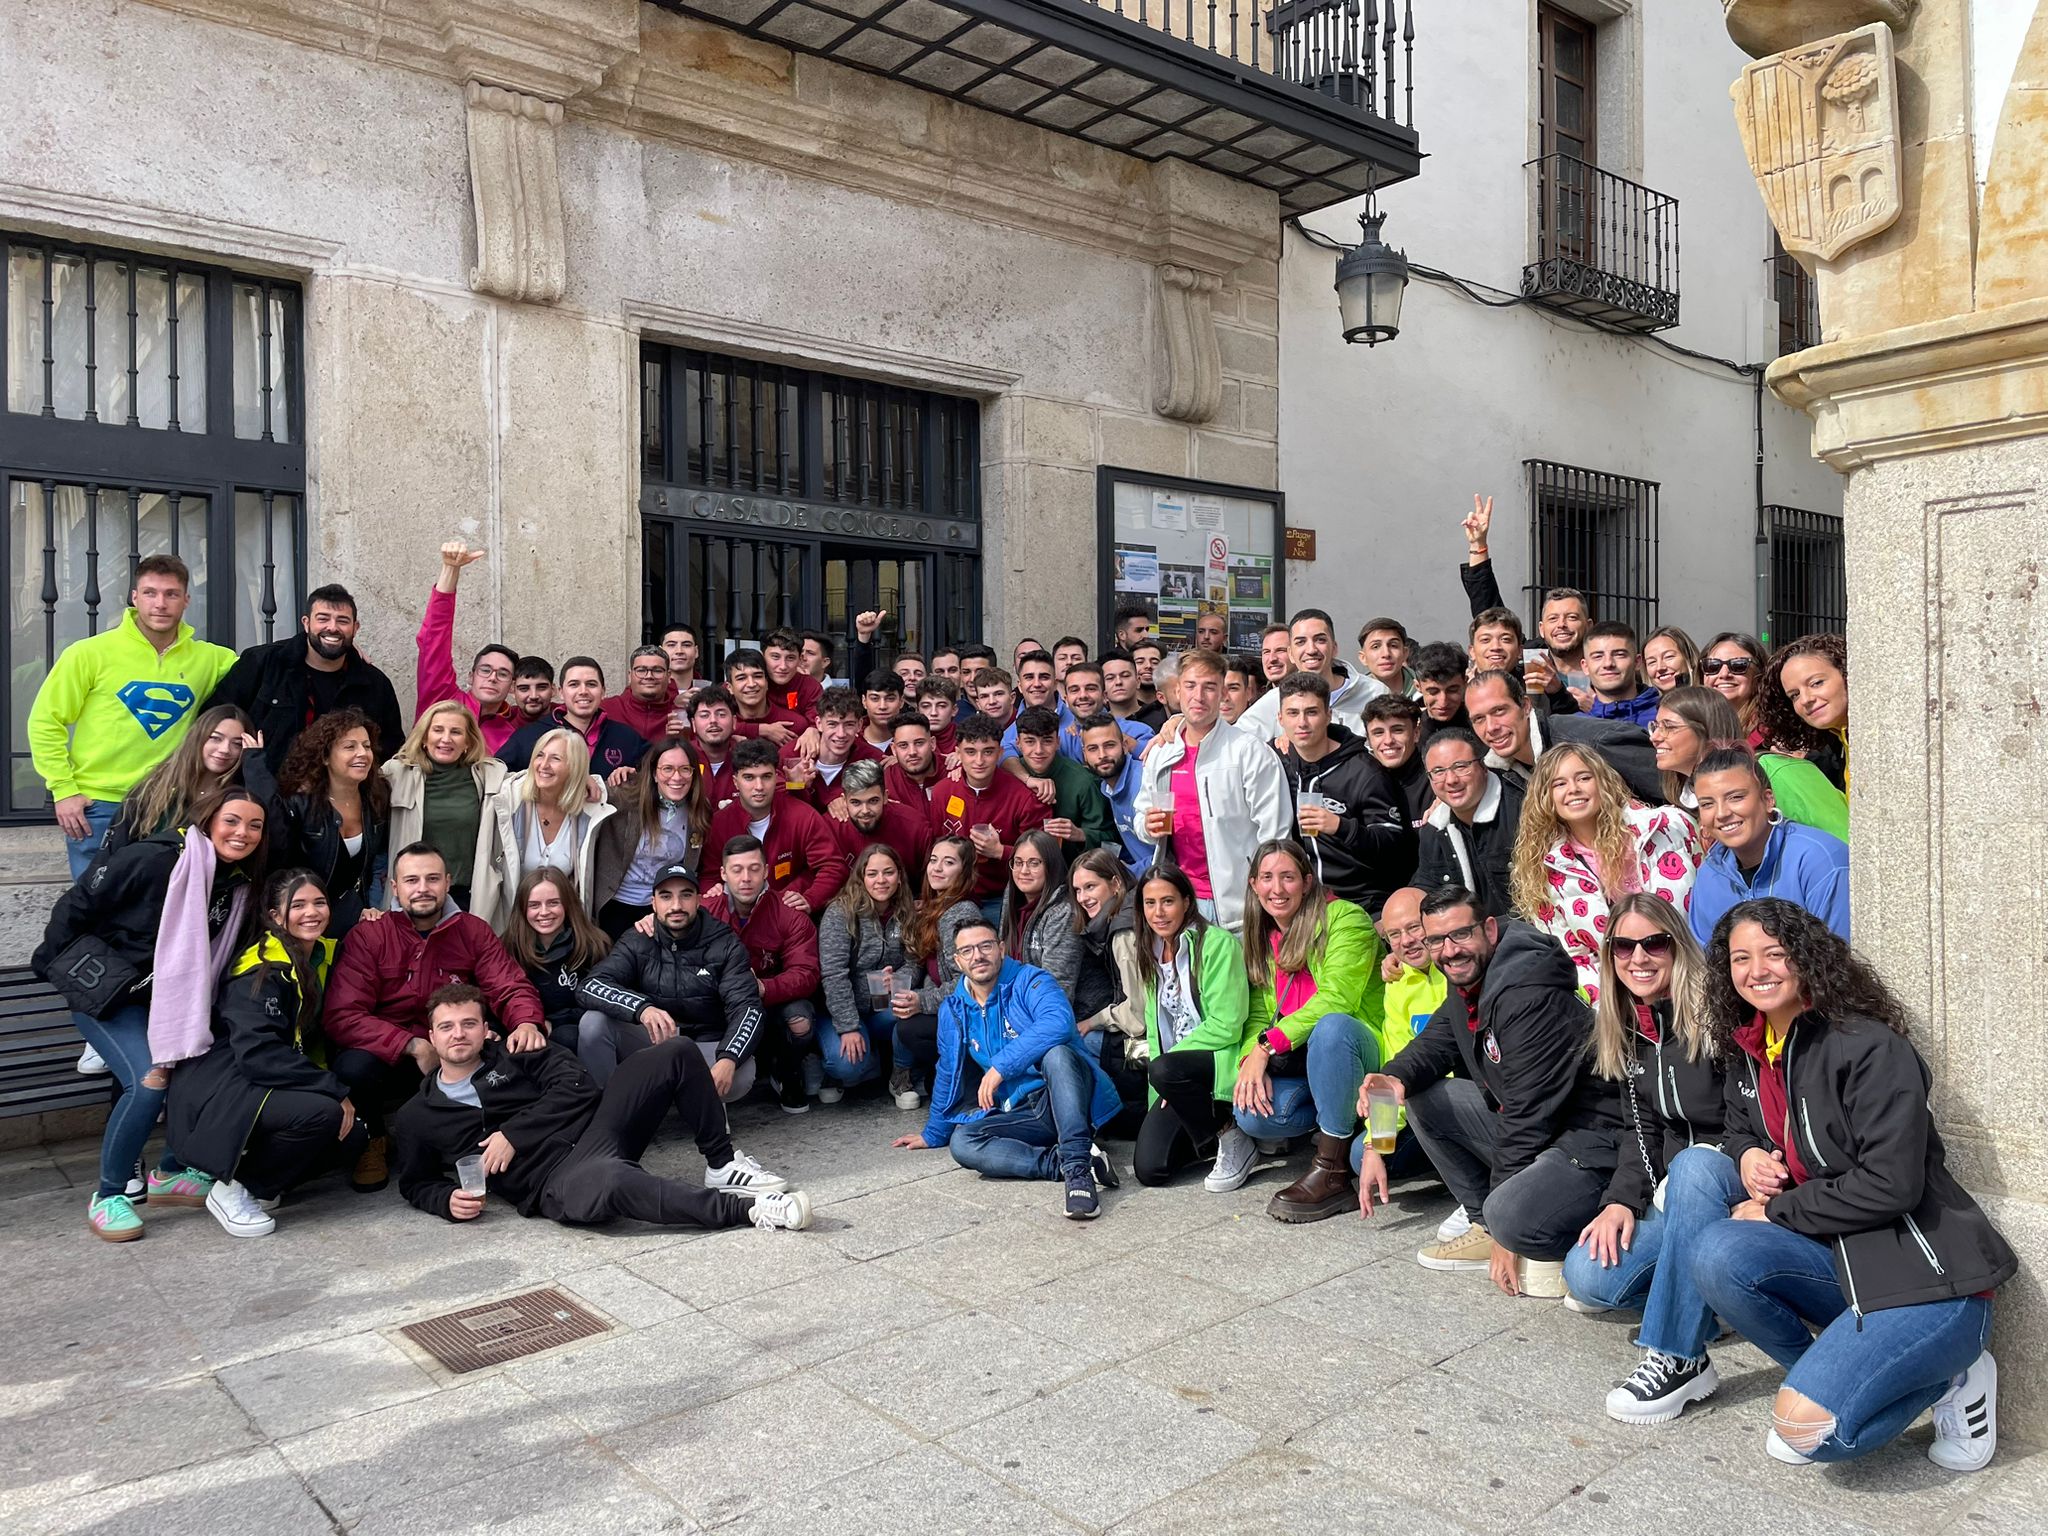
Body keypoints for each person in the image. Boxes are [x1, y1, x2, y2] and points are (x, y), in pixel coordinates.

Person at [1658, 901, 2014, 1468]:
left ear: (1807, 958)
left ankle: (1952, 1376)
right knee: (1715, 1251)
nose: (1758, 970)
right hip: (1842, 1263)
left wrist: (1778, 1212)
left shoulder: (1869, 1047)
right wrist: (1747, 1153)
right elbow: (1738, 1125)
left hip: (1924, 1275)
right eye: (1741, 958)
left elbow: (1892, 1184)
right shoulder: (1752, 1046)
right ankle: (1834, 1374)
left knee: (1802, 1437)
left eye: (1775, 953)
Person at [1358, 888, 1623, 1298]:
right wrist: (1390, 1081)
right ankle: (1490, 1223)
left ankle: (1553, 1233)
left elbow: (1526, 1116)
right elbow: (1435, 1044)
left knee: (1515, 1218)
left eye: (1460, 934)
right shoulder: (1466, 977)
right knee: (1420, 1096)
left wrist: (1508, 1234)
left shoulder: (1526, 992)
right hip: (1543, 1132)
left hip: (1592, 1140)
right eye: (1436, 941)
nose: (1449, 951)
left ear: (1490, 929)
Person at [34, 786, 269, 1240]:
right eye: (232, 820)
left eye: (254, 825)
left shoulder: (236, 882)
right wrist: (60, 967)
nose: (243, 832)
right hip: (110, 996)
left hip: (168, 1004)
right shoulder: (155, 858)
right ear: (207, 820)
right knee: (149, 1082)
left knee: (214, 1066)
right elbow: (78, 904)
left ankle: (170, 1171)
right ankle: (109, 1194)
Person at [393, 985, 806, 1231]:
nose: (458, 1034)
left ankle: (721, 1164)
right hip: (554, 1181)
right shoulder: (418, 1114)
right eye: (447, 1027)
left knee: (676, 1050)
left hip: (600, 1129)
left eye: (469, 1024)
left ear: (487, 1030)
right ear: (431, 1035)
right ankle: (750, 1211)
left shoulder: (518, 1052)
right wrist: (445, 1199)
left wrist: (514, 1134)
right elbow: (415, 1182)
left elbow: (579, 1087)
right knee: (611, 1180)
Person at [324, 842, 546, 1188]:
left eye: (432, 879)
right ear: (394, 888)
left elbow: (508, 984)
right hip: (397, 1056)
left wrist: (527, 1021)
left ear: (447, 882)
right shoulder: (370, 935)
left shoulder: (471, 930)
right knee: (354, 1065)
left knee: (514, 1042)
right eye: (411, 880)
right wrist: (411, 1044)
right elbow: (343, 1014)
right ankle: (374, 1141)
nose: (423, 889)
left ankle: (494, 1135)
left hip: (455, 1047)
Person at [164, 869, 367, 1237]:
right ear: (275, 916)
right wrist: (334, 1089)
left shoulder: (319, 954)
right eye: (298, 905)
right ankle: (233, 1189)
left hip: (260, 1081)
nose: (312, 912)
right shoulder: (261, 969)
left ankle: (262, 1183)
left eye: (319, 902)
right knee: (324, 1114)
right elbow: (259, 1054)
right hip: (223, 1088)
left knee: (351, 1136)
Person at [1559, 897, 1725, 1339]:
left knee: (1695, 1168)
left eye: (1655, 943)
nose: (1638, 958)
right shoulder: (1629, 1023)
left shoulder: (1718, 1014)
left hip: (1725, 1180)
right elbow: (1642, 1127)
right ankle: (1706, 1293)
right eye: (1623, 946)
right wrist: (1621, 1201)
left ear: (1678, 947)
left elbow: (1753, 1119)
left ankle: (1684, 1331)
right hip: (1669, 1190)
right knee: (1587, 1276)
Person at [891, 918, 1122, 1220]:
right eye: (968, 950)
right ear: (957, 961)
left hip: (1065, 1096)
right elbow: (947, 1070)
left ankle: (1078, 1170)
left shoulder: (1032, 980)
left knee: (1058, 1053)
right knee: (963, 1143)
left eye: (986, 946)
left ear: (1000, 949)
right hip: (1023, 1112)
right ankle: (1061, 1164)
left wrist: (1001, 1066)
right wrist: (934, 1133)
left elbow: (1059, 1022)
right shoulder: (953, 1008)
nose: (978, 955)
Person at [28, 553, 239, 878]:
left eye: (171, 594)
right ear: (134, 598)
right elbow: (45, 721)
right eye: (151, 593)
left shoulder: (210, 659)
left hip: (171, 805)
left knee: (159, 912)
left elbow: (266, 670)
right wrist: (64, 789)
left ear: (186, 600)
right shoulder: (88, 654)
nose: (160, 603)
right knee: (96, 911)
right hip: (99, 806)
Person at [1222, 840, 1381, 1220]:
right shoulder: (1263, 936)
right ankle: (1341, 1122)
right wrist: (1249, 1057)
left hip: (1362, 1050)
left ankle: (1332, 1171)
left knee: (1331, 1028)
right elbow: (1260, 1013)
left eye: (1288, 877)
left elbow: (1338, 997)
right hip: (1305, 1059)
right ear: (1253, 884)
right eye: (1267, 878)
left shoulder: (1346, 919)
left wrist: (1267, 1046)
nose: (1277, 889)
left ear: (1307, 882)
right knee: (1252, 1114)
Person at [575, 863, 772, 1126]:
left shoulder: (724, 942)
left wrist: (728, 1058)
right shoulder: (639, 938)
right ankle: (611, 1118)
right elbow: (590, 986)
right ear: (653, 903)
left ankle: (707, 1105)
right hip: (656, 1042)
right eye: (666, 896)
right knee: (593, 1023)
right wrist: (642, 1008)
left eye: (686, 895)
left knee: (741, 1072)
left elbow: (748, 1008)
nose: (676, 905)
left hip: (706, 1045)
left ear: (699, 900)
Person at [1509, 744, 1703, 1001]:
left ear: (1602, 781)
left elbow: (1711, 898)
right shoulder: (1546, 872)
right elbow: (1576, 957)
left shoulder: (1667, 826)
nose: (1573, 789)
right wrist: (1615, 1012)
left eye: (1584, 777)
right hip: (1630, 1007)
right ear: (1546, 798)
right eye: (1559, 784)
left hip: (1699, 982)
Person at [1132, 649, 1289, 932]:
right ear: (1177, 690)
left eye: (1210, 687)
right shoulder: (1161, 753)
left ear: (1222, 694)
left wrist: (1263, 894)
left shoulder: (1249, 752)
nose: (1199, 696)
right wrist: (1146, 824)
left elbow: (1275, 834)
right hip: (1180, 901)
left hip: (1239, 907)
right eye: (1191, 686)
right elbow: (1141, 816)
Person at [1129, 862, 1254, 1187]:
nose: (1158, 912)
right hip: (1173, 1074)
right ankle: (1206, 1140)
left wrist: (1166, 1067)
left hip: (1215, 1062)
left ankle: (1231, 1133)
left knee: (1163, 1069)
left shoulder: (1217, 944)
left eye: (1168, 901)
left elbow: (1228, 1024)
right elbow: (1155, 1030)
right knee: (1150, 1169)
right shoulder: (1150, 951)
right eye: (1150, 903)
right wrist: (1160, 1088)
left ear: (1187, 901)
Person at [206, 584, 402, 773]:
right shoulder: (263, 664)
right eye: (323, 618)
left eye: (342, 621)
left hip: (341, 800)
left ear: (355, 628)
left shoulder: (375, 685)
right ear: (306, 623)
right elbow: (213, 720)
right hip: (262, 796)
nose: (332, 628)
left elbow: (390, 751)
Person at [1273, 672, 1416, 917]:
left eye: (1312, 712)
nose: (1302, 723)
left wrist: (1341, 827)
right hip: (1304, 907)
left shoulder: (1365, 771)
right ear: (1280, 718)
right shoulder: (1276, 760)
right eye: (1293, 713)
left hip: (1363, 906)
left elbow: (1395, 846)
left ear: (1328, 715)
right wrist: (1181, 720)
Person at [703, 835, 823, 1115]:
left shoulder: (789, 914)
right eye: (737, 870)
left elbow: (806, 973)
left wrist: (764, 988)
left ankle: (787, 1071)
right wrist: (649, 921)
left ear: (766, 870)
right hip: (722, 1003)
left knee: (801, 1020)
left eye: (754, 868)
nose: (746, 878)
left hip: (771, 1001)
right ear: (723, 874)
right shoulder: (704, 912)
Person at [244, 707, 390, 938]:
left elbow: (372, 867)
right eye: (350, 746)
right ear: (325, 757)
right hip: (301, 923)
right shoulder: (300, 805)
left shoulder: (376, 799)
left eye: (367, 746)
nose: (362, 753)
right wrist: (253, 763)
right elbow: (278, 854)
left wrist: (368, 907)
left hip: (349, 921)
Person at [1688, 750, 1850, 943]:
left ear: (1767, 800)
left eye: (1736, 797)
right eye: (1707, 804)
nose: (1721, 813)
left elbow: (1837, 960)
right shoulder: (1709, 874)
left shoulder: (1820, 860)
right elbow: (1706, 962)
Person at [1652, 686, 1847, 839]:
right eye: (1655, 726)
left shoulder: (1776, 771)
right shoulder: (1683, 798)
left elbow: (1844, 838)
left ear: (1705, 728)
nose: (1655, 737)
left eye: (1669, 727)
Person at [381, 700, 507, 921]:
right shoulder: (395, 774)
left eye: (456, 732)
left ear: (468, 741)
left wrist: (583, 781)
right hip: (412, 896)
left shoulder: (490, 776)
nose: (446, 739)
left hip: (465, 896)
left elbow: (533, 783)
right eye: (438, 730)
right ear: (424, 737)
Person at [1465, 668, 1663, 804]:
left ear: (1525, 706)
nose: (1491, 727)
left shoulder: (1594, 742)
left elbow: (1675, 791)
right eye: (1479, 719)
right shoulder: (1493, 773)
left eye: (1499, 711)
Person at [815, 844, 916, 1104]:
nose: (881, 880)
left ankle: (900, 1074)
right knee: (847, 1065)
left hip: (885, 1006)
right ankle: (835, 1068)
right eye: (872, 874)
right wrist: (848, 1027)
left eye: (888, 872)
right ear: (861, 877)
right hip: (843, 1011)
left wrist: (899, 979)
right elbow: (834, 975)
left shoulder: (908, 911)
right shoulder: (840, 913)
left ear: (899, 876)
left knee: (910, 1011)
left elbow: (916, 962)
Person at [485, 728, 616, 925]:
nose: (543, 765)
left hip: (561, 926)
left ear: (574, 767)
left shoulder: (590, 809)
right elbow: (482, 770)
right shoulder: (510, 797)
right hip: (511, 923)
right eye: (539, 755)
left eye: (555, 759)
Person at [704, 738, 848, 912]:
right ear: (736, 782)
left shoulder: (803, 815)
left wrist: (811, 899)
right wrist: (714, 889)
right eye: (749, 777)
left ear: (777, 777)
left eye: (766, 776)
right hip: (734, 916)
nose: (759, 786)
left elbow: (833, 866)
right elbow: (708, 876)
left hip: (788, 914)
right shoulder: (719, 823)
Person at [929, 714, 1048, 916]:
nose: (979, 761)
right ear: (958, 753)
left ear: (1000, 752)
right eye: (970, 752)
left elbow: (1044, 857)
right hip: (952, 894)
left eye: (988, 752)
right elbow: (935, 843)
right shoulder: (943, 791)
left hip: (1003, 897)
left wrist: (1000, 851)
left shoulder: (1023, 797)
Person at [588, 736, 706, 937]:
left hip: (663, 910)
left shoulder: (700, 812)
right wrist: (588, 777)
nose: (677, 777)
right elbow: (587, 792)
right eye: (667, 769)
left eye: (685, 769)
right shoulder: (625, 797)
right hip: (615, 905)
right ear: (653, 773)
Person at [895, 836, 981, 1109]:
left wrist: (922, 1000)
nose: (937, 868)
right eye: (934, 860)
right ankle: (941, 1072)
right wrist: (899, 981)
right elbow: (924, 967)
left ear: (964, 871)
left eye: (949, 862)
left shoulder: (961, 912)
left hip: (971, 1011)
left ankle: (965, 1070)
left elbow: (967, 982)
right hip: (946, 1003)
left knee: (910, 1027)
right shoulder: (934, 908)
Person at [415, 541, 523, 753]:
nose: (492, 678)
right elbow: (434, 641)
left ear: (512, 686)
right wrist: (450, 569)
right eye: (485, 670)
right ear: (471, 676)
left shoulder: (514, 734)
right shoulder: (443, 700)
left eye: (502, 674)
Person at [102, 703, 252, 855]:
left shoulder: (239, 797)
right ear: (198, 737)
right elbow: (114, 849)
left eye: (237, 744)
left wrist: (255, 762)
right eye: (215, 738)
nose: (225, 749)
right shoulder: (156, 786)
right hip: (142, 874)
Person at [1413, 729, 1523, 919]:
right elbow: (1426, 888)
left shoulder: (1522, 810)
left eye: (1461, 766)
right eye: (1438, 771)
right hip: (1469, 940)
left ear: (1483, 766)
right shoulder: (1433, 831)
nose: (1451, 780)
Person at [1066, 849, 1146, 1108]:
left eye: (1090, 887)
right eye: (1077, 890)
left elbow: (1137, 1017)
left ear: (1116, 883)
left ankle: (1108, 1112)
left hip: (1153, 1046)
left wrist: (1093, 1021)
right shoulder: (1126, 910)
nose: (1082, 898)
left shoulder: (1123, 934)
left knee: (1077, 1042)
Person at [500, 868, 610, 1055]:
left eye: (553, 903)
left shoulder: (594, 944)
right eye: (534, 905)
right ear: (522, 908)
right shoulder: (508, 946)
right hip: (523, 1029)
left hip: (572, 1031)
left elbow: (601, 1003)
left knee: (567, 1037)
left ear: (567, 905)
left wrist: (553, 1022)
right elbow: (499, 997)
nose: (544, 912)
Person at [1235, 608, 1382, 737]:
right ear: (1291, 654)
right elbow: (1236, 745)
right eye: (1300, 642)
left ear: (1334, 648)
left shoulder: (1373, 692)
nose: (1311, 650)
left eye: (1320, 640)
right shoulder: (1275, 700)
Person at [500, 657, 647, 780]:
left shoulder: (626, 737)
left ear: (603, 692)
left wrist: (636, 776)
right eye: (574, 684)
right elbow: (497, 776)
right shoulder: (529, 736)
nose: (583, 691)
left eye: (591, 684)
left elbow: (659, 770)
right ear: (561, 692)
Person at [1010, 706, 1118, 864]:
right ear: (1018, 743)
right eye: (1030, 741)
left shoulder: (1083, 782)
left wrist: (1081, 834)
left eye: (1047, 741)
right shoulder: (1010, 777)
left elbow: (1112, 839)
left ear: (1058, 742)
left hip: (1072, 871)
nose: (1038, 750)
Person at [1759, 634, 1850, 792]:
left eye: (1816, 683)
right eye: (1794, 695)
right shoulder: (1835, 743)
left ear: (1846, 674)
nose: (1805, 699)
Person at [998, 830, 1082, 994]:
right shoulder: (1012, 895)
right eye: (1018, 862)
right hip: (1015, 999)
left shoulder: (1064, 912)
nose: (1023, 871)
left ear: (1051, 866)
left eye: (1034, 863)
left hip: (1054, 1010)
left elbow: (1057, 986)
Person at [832, 760, 933, 880]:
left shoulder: (915, 826)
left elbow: (931, 877)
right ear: (844, 801)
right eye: (856, 803)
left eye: (873, 801)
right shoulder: (831, 828)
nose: (865, 810)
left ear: (885, 797)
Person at [789, 687, 881, 816]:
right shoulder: (792, 754)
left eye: (849, 724)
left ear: (859, 725)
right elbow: (778, 801)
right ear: (819, 723)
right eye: (832, 724)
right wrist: (795, 785)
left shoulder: (873, 759)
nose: (841, 734)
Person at [1079, 712, 1148, 875]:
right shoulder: (1108, 786)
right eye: (1093, 749)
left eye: (1109, 745)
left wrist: (1127, 872)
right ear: (1084, 755)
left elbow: (1169, 855)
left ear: (1124, 746)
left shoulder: (1143, 781)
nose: (1102, 755)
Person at [726, 647, 810, 749]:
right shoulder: (721, 726)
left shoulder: (794, 725)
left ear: (767, 683)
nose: (751, 684)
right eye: (741, 678)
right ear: (730, 688)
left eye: (757, 676)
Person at [1581, 623, 1661, 728]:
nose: (1608, 663)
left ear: (1637, 662)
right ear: (1585, 666)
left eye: (1619, 655)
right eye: (1598, 656)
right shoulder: (1576, 728)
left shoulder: (1665, 718)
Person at [1699, 632, 1772, 746]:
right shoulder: (1692, 726)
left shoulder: (1773, 734)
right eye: (1712, 666)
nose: (1724, 674)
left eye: (1738, 665)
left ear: (1760, 673)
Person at [602, 645, 681, 743]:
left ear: (669, 676)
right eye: (641, 670)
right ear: (630, 676)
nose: (649, 676)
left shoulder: (680, 715)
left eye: (657, 671)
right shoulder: (607, 709)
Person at [688, 685, 741, 809]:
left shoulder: (750, 758)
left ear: (734, 722)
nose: (713, 721)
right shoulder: (681, 758)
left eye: (721, 714)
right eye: (704, 715)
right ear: (693, 724)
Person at [763, 626, 824, 723]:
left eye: (790, 658)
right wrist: (761, 729)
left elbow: (818, 723)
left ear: (800, 660)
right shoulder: (753, 683)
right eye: (775, 657)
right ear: (763, 657)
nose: (783, 666)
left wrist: (813, 730)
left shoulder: (810, 686)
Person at [885, 713, 946, 811]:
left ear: (932, 743)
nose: (912, 752)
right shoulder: (885, 781)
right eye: (903, 745)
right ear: (894, 749)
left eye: (919, 743)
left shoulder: (954, 772)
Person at [1411, 642, 1471, 738]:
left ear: (1465, 683)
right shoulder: (1409, 733)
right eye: (1433, 692)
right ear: (1418, 686)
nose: (1443, 702)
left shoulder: (1483, 727)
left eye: (1452, 690)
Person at [1355, 617, 1414, 698]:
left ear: (1405, 653)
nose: (1386, 654)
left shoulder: (1425, 690)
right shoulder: (1354, 698)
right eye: (1375, 647)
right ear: (1363, 658)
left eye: (1393, 645)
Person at [859, 668, 908, 752]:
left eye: (890, 699)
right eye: (874, 698)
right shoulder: (851, 739)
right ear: (864, 701)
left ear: (901, 701)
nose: (882, 706)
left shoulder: (914, 739)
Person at [1641, 626, 1699, 697]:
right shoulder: (1642, 706)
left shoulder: (1710, 703)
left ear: (1689, 657)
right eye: (1652, 662)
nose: (1660, 667)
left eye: (1668, 657)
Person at [1220, 652, 1268, 726]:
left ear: (1248, 693)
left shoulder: (1265, 734)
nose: (1225, 697)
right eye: (1218, 688)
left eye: (1233, 688)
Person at [510, 656, 557, 729]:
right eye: (524, 689)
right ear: (513, 691)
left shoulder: (569, 719)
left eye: (541, 687)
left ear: (553, 690)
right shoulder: (503, 725)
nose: (533, 696)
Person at [661, 622, 702, 698]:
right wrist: (674, 705)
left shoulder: (708, 690)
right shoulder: (650, 691)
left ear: (696, 651)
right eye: (671, 645)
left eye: (686, 645)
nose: (679, 651)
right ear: (660, 652)